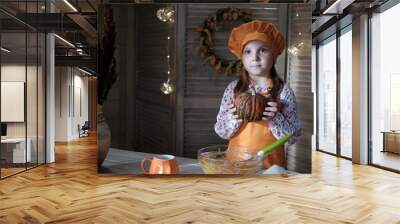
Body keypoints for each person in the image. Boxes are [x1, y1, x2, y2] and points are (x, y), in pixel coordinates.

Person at [214, 20, 301, 169]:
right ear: (242, 58)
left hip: (271, 167)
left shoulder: (283, 91)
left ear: (273, 56)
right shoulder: (233, 89)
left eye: (263, 50)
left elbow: (293, 136)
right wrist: (232, 118)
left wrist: (276, 118)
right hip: (236, 164)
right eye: (248, 51)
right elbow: (221, 131)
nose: (255, 57)